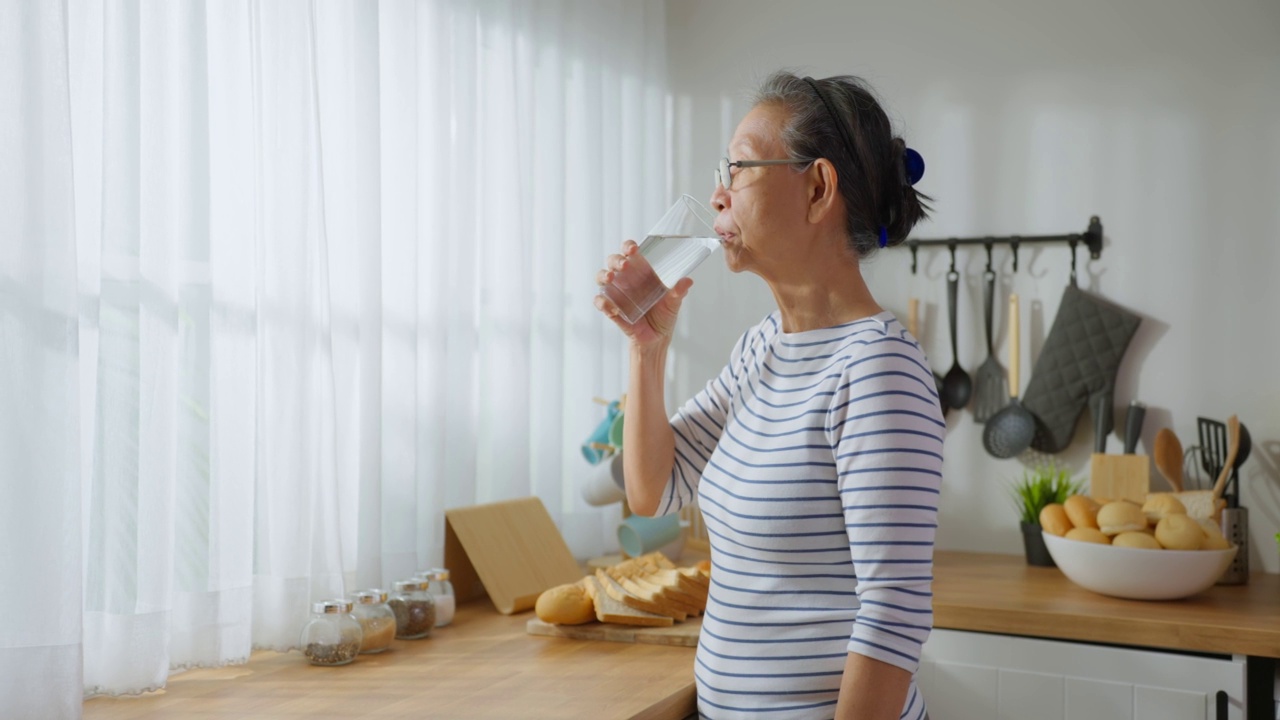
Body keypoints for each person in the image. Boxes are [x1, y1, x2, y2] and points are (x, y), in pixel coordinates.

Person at [593, 70, 944, 720]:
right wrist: (647, 347)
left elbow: (892, 617)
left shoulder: (877, 370)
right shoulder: (761, 351)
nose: (717, 194)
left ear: (817, 189)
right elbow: (654, 492)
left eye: (740, 168)